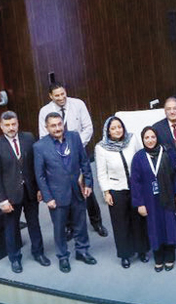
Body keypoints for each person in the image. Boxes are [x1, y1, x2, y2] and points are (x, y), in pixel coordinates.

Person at [37, 83, 107, 237]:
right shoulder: (45, 111)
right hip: (57, 156)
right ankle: (69, 226)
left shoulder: (78, 104)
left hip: (79, 151)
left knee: (86, 188)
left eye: (63, 94)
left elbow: (88, 128)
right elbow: (44, 136)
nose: (61, 98)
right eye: (57, 95)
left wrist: (74, 146)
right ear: (50, 96)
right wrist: (60, 150)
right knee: (65, 190)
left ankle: (97, 221)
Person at [34, 112, 96, 273]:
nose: (57, 128)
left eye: (59, 124)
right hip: (56, 195)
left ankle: (82, 251)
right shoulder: (40, 146)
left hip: (77, 190)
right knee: (60, 228)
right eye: (53, 126)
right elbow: (40, 176)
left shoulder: (74, 137)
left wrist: (88, 183)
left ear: (63, 124)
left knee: (80, 223)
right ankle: (63, 257)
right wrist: (47, 198)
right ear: (47, 127)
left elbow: (84, 161)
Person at [0, 111, 47, 273]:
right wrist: (2, 200)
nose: (11, 128)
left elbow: (36, 166)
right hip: (10, 196)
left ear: (18, 123)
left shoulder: (28, 138)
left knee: (34, 223)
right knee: (11, 228)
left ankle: (38, 253)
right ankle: (15, 258)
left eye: (13, 124)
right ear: (1, 126)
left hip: (30, 191)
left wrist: (40, 189)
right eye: (7, 125)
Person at [95, 116, 148, 269]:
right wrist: (106, 192)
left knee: (139, 221)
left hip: (136, 187)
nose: (117, 130)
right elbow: (101, 173)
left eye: (119, 127)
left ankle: (142, 250)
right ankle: (125, 254)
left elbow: (141, 159)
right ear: (108, 131)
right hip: (116, 189)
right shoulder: (101, 147)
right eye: (113, 128)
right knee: (121, 224)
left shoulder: (131, 140)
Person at [131, 127, 176, 271]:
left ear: (157, 137)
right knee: (155, 228)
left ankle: (170, 258)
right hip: (150, 200)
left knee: (169, 226)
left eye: (153, 137)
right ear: (142, 140)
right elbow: (135, 183)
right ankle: (158, 259)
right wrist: (139, 204)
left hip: (168, 197)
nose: (150, 140)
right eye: (146, 138)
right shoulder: (138, 157)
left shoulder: (167, 152)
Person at [153, 97, 176, 244]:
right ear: (164, 111)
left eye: (175, 108)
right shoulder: (157, 127)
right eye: (168, 109)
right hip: (170, 172)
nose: (172, 111)